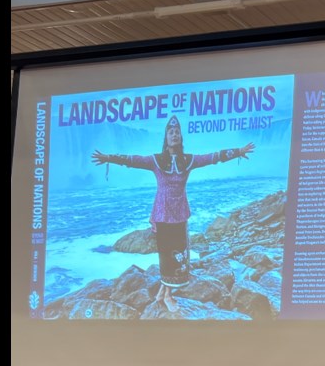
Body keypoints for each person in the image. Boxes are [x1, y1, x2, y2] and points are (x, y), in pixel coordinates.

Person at [91, 115, 255, 312]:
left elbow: (213, 157)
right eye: (171, 132)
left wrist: (238, 152)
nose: (175, 135)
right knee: (167, 256)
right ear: (166, 138)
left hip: (180, 214)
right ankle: (168, 296)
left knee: (181, 256)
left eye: (177, 132)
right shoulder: (156, 160)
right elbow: (132, 160)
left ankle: (162, 293)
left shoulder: (189, 160)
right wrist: (109, 158)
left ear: (180, 138)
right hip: (163, 214)